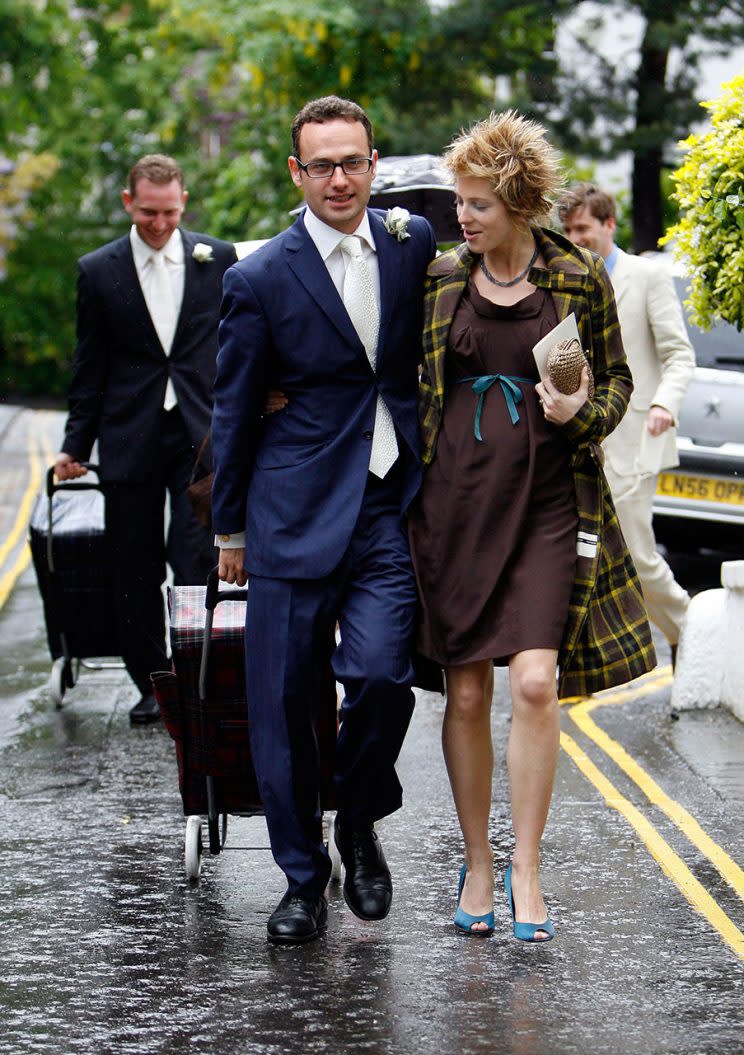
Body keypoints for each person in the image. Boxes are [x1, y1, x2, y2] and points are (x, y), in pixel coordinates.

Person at [408, 111, 655, 943]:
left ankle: (527, 864)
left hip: (551, 502)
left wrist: (585, 407)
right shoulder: (442, 278)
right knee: (469, 687)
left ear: (517, 202)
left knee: (536, 682)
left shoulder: (577, 275)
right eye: (459, 202)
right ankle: (478, 859)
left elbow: (615, 378)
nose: (463, 217)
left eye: (477, 203)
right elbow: (403, 387)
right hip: (456, 510)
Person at [211, 96, 437, 944]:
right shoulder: (259, 277)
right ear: (296, 173)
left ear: (375, 165)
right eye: (322, 165)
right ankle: (302, 877)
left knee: (382, 676)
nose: (340, 178)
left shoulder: (413, 247)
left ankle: (358, 822)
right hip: (289, 509)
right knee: (284, 699)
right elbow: (234, 410)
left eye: (353, 162)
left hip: (387, 500)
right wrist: (229, 530)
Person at [54, 154, 237, 724]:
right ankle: (151, 683)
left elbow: (236, 345)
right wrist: (74, 447)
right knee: (132, 565)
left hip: (197, 435)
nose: (160, 224)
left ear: (184, 203)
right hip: (129, 437)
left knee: (194, 558)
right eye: (149, 212)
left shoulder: (218, 258)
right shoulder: (97, 270)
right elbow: (89, 368)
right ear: (129, 203)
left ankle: (193, 677)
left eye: (171, 212)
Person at [558, 184, 695, 666]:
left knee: (635, 555)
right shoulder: (566, 279)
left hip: (637, 438)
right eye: (568, 229)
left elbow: (679, 355)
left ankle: (689, 629)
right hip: (578, 440)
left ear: (609, 224)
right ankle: (583, 664)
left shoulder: (649, 276)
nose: (576, 237)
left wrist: (664, 404)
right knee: (579, 558)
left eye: (584, 228)